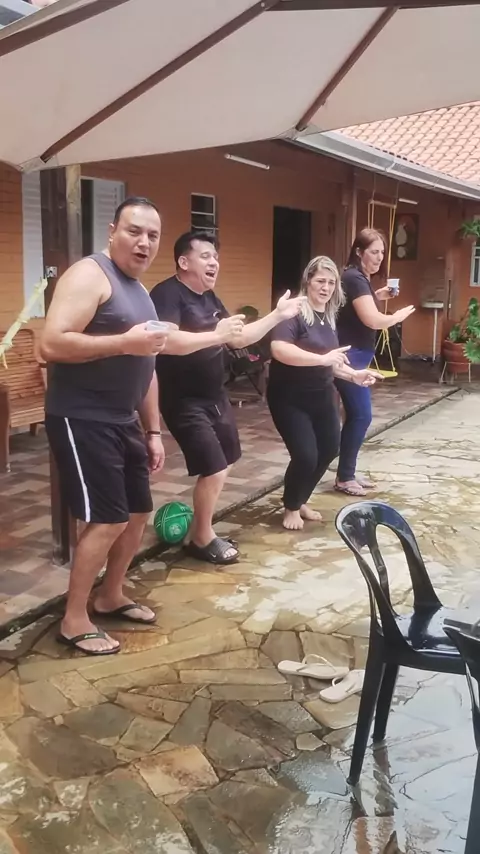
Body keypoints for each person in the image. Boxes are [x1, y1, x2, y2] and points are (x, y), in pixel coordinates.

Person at [40, 198, 246, 656]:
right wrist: (123, 343)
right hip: (83, 416)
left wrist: (153, 430)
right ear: (112, 231)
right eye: (134, 231)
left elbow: (151, 358)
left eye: (152, 235)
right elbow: (50, 344)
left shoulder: (138, 290)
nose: (144, 242)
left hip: (124, 419)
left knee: (137, 513)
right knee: (107, 518)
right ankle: (74, 620)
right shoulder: (90, 275)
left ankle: (110, 595)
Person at [150, 230, 303, 565]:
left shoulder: (209, 297)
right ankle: (202, 538)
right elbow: (167, 342)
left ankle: (198, 530)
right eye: (205, 256)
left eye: (216, 257)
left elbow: (237, 338)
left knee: (228, 459)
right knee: (214, 467)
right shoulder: (167, 294)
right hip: (183, 400)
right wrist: (214, 335)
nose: (214, 263)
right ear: (183, 261)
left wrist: (278, 316)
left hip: (215, 396)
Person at [268, 256, 382, 530]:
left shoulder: (328, 316)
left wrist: (353, 375)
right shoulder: (294, 311)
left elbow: (331, 361)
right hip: (289, 397)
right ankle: (291, 506)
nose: (326, 287)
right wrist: (321, 359)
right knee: (306, 454)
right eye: (320, 281)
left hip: (320, 394)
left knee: (330, 448)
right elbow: (279, 349)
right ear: (308, 281)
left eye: (331, 283)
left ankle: (300, 498)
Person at [335, 228, 416, 497]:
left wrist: (377, 295)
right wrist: (397, 317)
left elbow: (355, 307)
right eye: (374, 252)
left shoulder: (357, 278)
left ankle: (347, 472)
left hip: (357, 354)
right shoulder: (356, 278)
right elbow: (372, 320)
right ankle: (345, 477)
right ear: (359, 252)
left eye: (382, 252)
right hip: (352, 357)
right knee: (361, 415)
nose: (379, 257)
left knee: (354, 416)